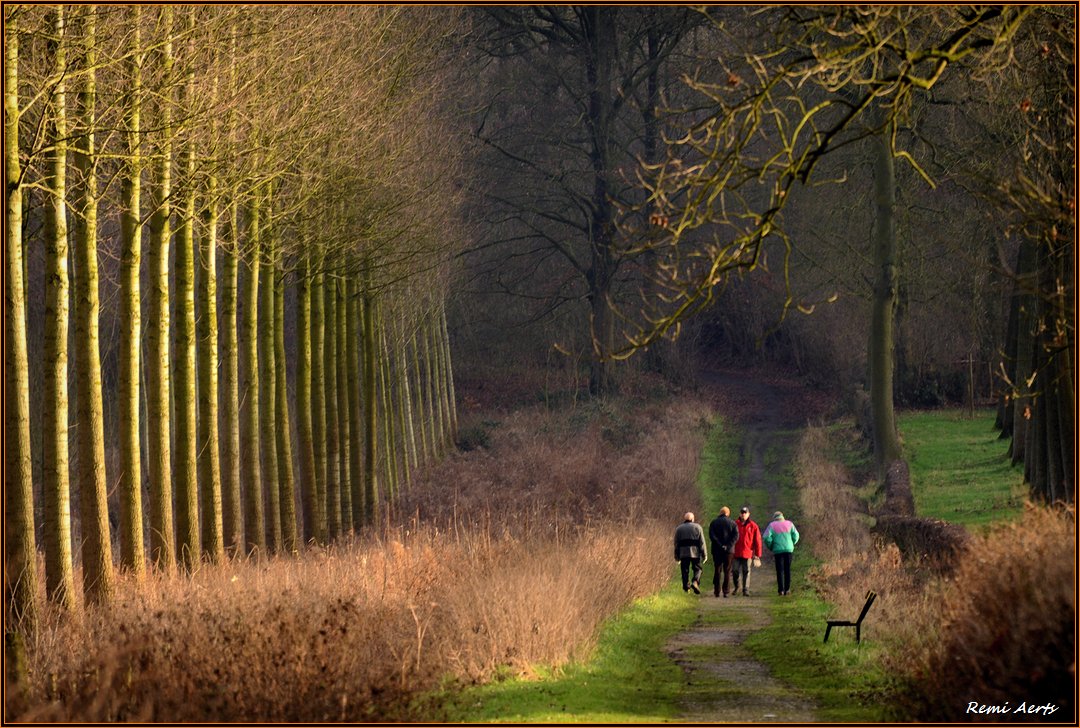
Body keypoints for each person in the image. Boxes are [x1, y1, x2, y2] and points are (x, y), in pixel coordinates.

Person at [762, 510, 800, 596]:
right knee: (787, 570)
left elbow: (766, 537)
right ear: (782, 517)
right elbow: (796, 535)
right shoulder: (789, 524)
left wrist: (771, 546)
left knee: (780, 570)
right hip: (788, 549)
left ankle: (781, 590)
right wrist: (792, 543)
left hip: (778, 550)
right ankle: (787, 589)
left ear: (774, 518)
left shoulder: (772, 525)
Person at [708, 507, 739, 597]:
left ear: (720, 513)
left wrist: (719, 544)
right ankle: (726, 591)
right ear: (728, 513)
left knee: (717, 569)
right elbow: (736, 536)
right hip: (729, 551)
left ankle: (716, 591)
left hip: (717, 550)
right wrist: (728, 545)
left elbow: (712, 536)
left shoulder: (714, 522)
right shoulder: (733, 523)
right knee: (727, 570)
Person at [673, 512, 707, 594]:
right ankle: (695, 581)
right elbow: (702, 542)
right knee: (698, 569)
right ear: (692, 519)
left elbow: (676, 543)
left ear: (685, 519)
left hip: (683, 553)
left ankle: (686, 587)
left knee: (684, 570)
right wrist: (704, 554)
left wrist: (676, 556)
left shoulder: (679, 529)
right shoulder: (698, 527)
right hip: (695, 553)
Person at [732, 506, 762, 596]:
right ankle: (737, 586)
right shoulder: (734, 524)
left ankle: (746, 589)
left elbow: (758, 541)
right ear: (740, 514)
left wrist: (757, 555)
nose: (743, 514)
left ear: (748, 514)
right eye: (742, 513)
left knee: (746, 571)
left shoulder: (753, 526)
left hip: (747, 552)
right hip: (736, 552)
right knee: (735, 570)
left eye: (745, 513)